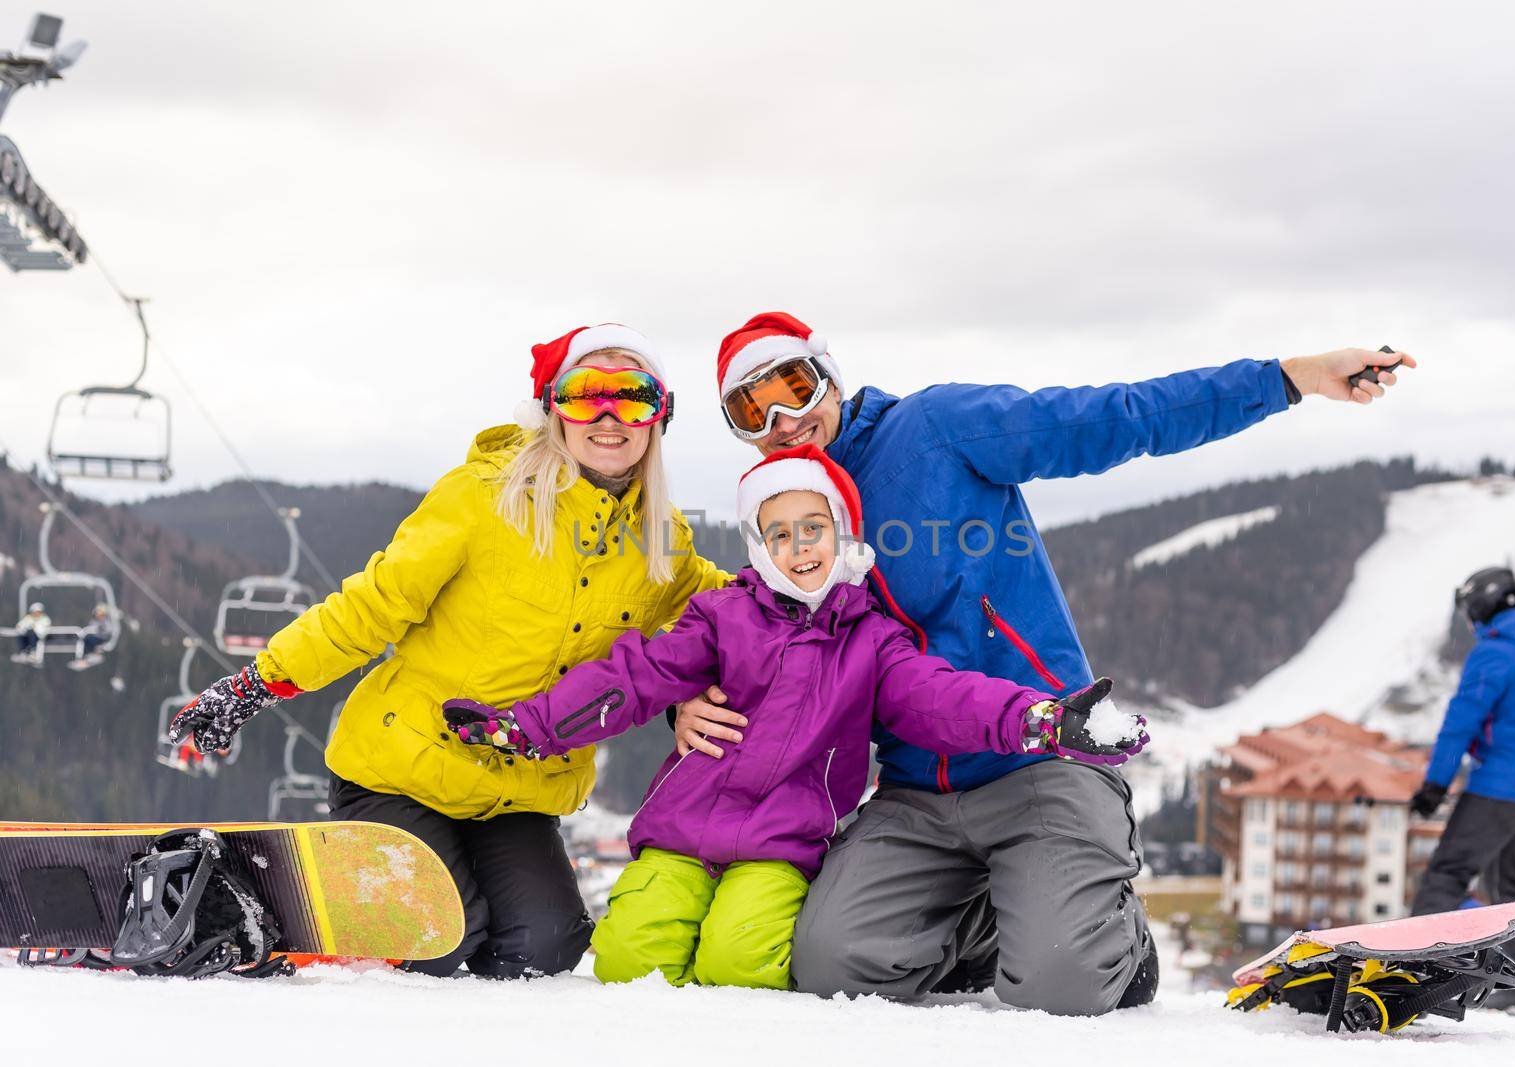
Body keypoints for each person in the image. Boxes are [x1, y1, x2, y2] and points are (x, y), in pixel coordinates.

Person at [679, 311, 1416, 1015]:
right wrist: (686, 694)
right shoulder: (792, 528)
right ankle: (997, 916)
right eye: (753, 411)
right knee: (834, 965)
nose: (784, 422)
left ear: (829, 375)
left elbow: (1109, 417)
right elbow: (746, 636)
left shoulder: (935, 430)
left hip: (1043, 752)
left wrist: (1285, 378)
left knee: (1063, 982)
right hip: (917, 791)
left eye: (795, 389)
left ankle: (1109, 938)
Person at [441, 445, 1149, 990]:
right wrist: (524, 726)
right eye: (778, 534)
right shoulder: (720, 616)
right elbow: (631, 677)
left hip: (782, 843)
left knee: (742, 960)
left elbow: (941, 696)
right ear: (758, 546)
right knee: (628, 957)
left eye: (813, 528)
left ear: (841, 535)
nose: (798, 546)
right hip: (683, 830)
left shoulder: (873, 640)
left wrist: (1040, 718)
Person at [168, 324, 727, 978]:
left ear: (659, 415)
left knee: (544, 948)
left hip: (517, 791)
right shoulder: (482, 498)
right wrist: (258, 682)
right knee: (440, 940)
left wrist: (818, 585)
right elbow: (372, 604)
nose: (608, 416)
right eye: (585, 396)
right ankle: (266, 905)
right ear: (552, 408)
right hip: (402, 769)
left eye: (631, 396)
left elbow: (725, 615)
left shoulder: (659, 538)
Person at [1410, 566, 1515, 1015]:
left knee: (1447, 875)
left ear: (1481, 606)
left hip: (1502, 784)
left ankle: (1417, 981)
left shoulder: (1495, 654)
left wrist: (1434, 785)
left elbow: (1461, 721)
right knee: (1513, 887)